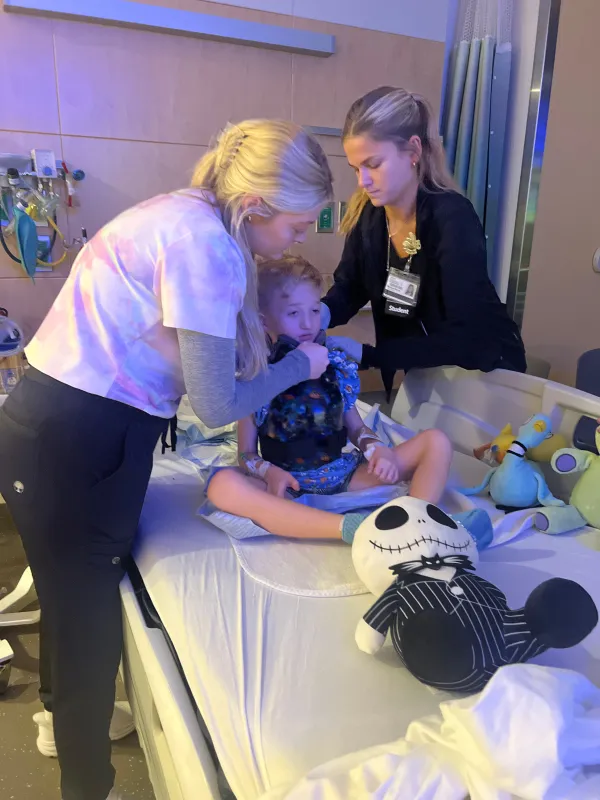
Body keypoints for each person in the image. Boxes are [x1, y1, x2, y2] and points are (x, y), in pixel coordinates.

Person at [0, 120, 335, 800]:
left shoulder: (181, 211)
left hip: (56, 429)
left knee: (70, 601)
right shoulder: (207, 246)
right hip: (80, 439)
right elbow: (216, 404)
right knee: (89, 619)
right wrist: (302, 363)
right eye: (298, 227)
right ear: (256, 206)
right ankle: (86, 784)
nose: (300, 241)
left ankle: (58, 723)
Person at [207, 255, 453, 532]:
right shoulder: (257, 379)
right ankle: (349, 529)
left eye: (314, 311)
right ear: (264, 322)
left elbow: (357, 430)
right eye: (293, 313)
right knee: (222, 485)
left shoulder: (334, 368)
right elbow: (246, 454)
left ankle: (419, 524)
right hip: (286, 485)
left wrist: (378, 450)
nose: (307, 324)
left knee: (436, 441)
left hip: (344, 477)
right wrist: (270, 472)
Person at [323, 86, 527, 397]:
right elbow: (349, 287)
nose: (362, 181)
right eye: (356, 168)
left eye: (373, 164)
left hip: (488, 371)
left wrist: (368, 356)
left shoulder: (451, 217)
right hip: (430, 370)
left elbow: (464, 333)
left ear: (413, 152)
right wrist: (314, 316)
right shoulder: (369, 216)